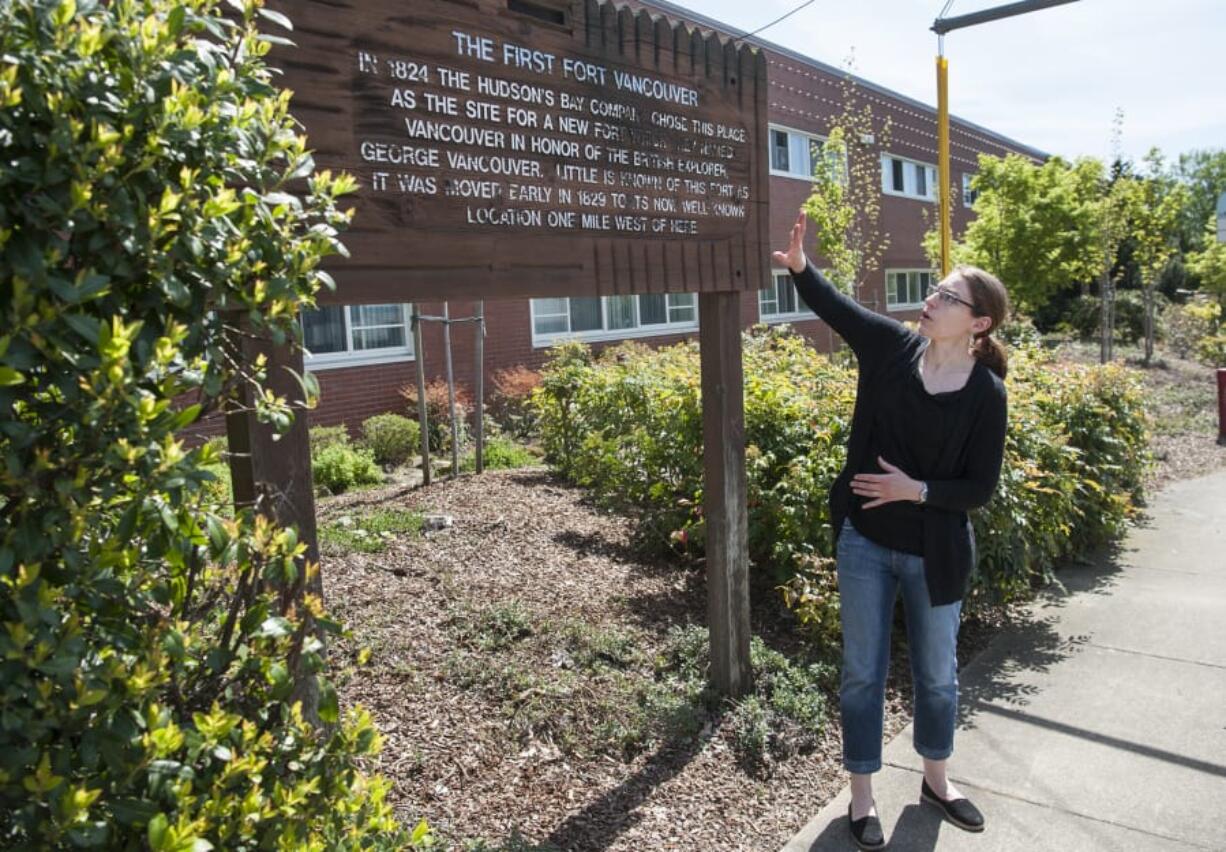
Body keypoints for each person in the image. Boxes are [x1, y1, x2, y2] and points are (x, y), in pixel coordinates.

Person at [772, 212, 1009, 850]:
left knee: (937, 675)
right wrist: (799, 266)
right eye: (935, 291)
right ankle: (862, 795)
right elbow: (839, 308)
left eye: (946, 297)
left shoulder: (986, 394)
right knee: (861, 673)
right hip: (866, 545)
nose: (930, 301)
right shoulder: (891, 351)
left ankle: (937, 779)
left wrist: (919, 490)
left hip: (935, 554)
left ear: (978, 322)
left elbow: (979, 488)